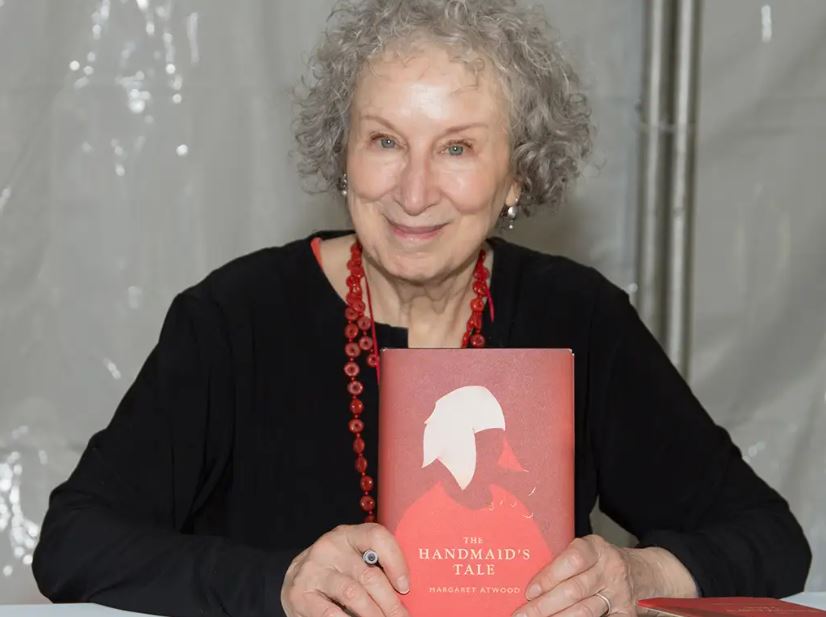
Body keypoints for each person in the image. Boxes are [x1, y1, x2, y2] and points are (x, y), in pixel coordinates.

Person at [32, 1, 811, 616]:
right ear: (343, 155)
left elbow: (770, 537)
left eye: (457, 148)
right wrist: (277, 582)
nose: (413, 192)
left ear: (517, 176)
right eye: (385, 141)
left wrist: (637, 573)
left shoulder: (579, 320)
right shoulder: (235, 319)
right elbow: (73, 541)